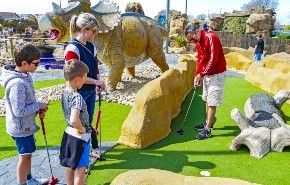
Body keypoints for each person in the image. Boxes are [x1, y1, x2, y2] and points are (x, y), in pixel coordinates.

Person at [0, 42, 49, 185]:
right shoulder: (17, 84)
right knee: (24, 157)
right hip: (21, 128)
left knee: (27, 155)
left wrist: (37, 108)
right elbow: (19, 110)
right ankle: (23, 183)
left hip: (25, 125)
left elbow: (26, 103)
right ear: (24, 63)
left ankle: (29, 179)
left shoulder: (25, 75)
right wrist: (38, 105)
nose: (38, 65)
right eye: (36, 63)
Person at [64, 13, 106, 158]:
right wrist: (96, 82)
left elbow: (95, 67)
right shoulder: (72, 49)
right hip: (79, 92)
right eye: (94, 31)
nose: (96, 34)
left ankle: (87, 151)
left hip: (90, 91)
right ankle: (79, 155)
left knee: (87, 122)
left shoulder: (91, 47)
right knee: (78, 124)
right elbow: (75, 76)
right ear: (84, 30)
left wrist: (99, 81)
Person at [185, 25, 227, 140]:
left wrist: (202, 74)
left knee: (212, 101)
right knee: (207, 99)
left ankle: (208, 129)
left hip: (217, 74)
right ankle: (208, 122)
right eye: (190, 41)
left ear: (195, 33)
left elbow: (213, 58)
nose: (192, 42)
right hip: (208, 74)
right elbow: (200, 60)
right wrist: (197, 76)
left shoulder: (210, 37)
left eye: (191, 39)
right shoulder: (198, 43)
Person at [59, 59, 91, 185]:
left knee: (70, 163)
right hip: (80, 137)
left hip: (68, 134)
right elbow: (74, 119)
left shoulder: (65, 93)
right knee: (80, 168)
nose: (85, 80)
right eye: (85, 77)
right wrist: (82, 129)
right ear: (78, 79)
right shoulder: (76, 97)